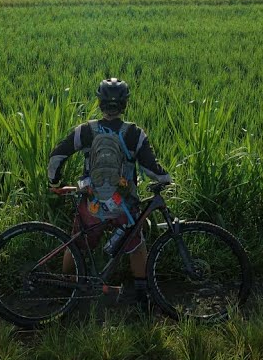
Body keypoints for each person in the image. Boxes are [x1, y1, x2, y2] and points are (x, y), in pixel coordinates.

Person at [48, 78, 172, 310]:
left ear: (100, 103)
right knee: (136, 244)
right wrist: (167, 179)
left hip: (92, 204)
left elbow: (57, 156)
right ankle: (142, 297)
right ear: (125, 104)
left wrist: (54, 181)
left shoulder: (85, 130)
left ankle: (66, 290)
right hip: (123, 207)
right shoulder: (135, 133)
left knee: (76, 244)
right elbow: (151, 169)